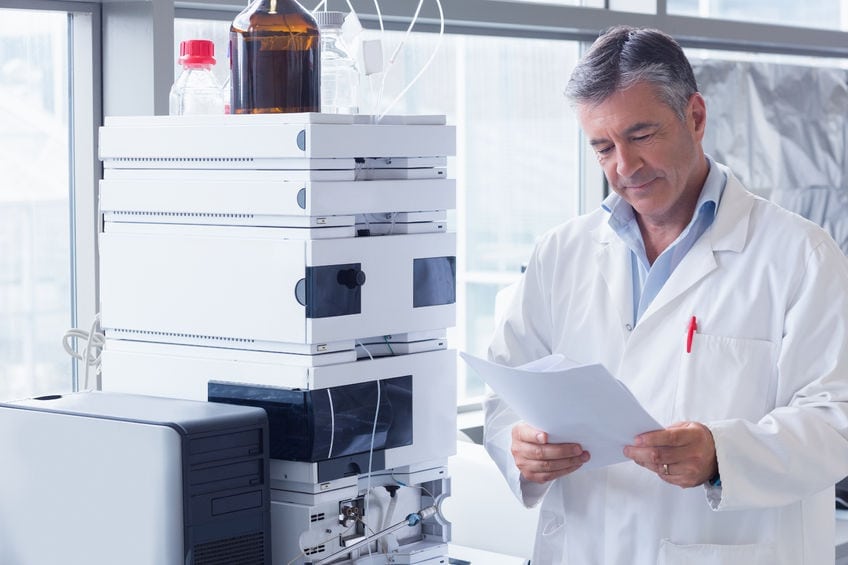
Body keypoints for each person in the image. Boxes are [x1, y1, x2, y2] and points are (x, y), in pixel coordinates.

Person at [483, 25, 848, 565]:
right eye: (603, 147)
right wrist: (521, 445)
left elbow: (835, 417)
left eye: (641, 136)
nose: (624, 168)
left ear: (695, 117)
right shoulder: (560, 252)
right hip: (582, 547)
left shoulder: (802, 255)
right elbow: (505, 394)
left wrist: (723, 454)